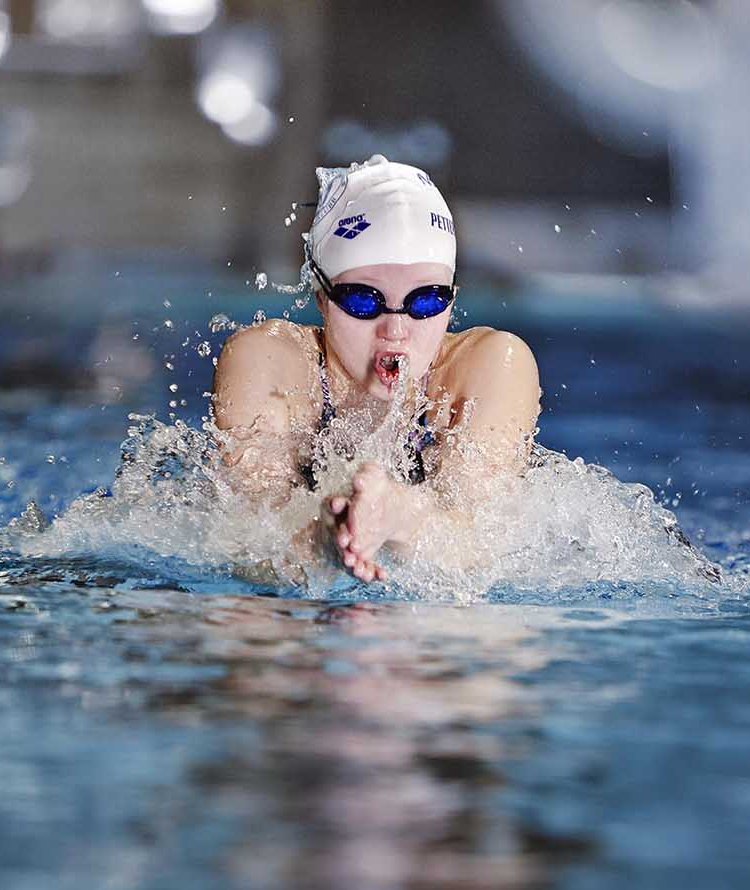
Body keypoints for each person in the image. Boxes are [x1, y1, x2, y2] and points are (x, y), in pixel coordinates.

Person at [211, 156, 542, 583]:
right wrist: (323, 534)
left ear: (453, 300)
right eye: (363, 300)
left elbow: (477, 549)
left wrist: (399, 517)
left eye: (426, 300)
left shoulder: (489, 367)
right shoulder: (269, 361)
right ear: (320, 295)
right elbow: (253, 538)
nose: (396, 329)